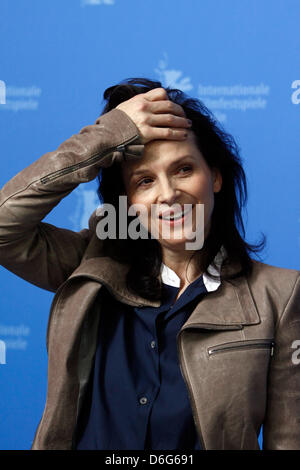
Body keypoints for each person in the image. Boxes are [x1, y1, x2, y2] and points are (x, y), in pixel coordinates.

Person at [0, 78, 299, 450]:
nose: (168, 194)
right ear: (127, 202)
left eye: (184, 169)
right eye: (144, 181)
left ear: (216, 177)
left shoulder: (281, 295)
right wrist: (109, 135)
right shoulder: (92, 266)